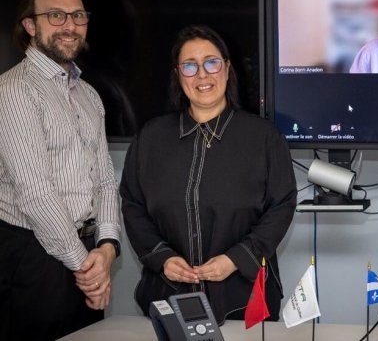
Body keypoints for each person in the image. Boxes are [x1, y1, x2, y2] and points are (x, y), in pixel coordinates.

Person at [120, 25, 297, 324]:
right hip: (168, 297)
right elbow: (133, 205)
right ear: (178, 75)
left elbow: (282, 206)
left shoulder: (264, 138)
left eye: (211, 62)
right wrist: (162, 258)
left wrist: (235, 259)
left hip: (244, 301)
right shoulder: (150, 139)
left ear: (227, 69)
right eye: (190, 66)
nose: (202, 75)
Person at [0, 0, 121, 339]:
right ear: (30, 26)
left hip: (85, 251)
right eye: (56, 15)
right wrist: (88, 269)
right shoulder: (14, 91)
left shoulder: (88, 95)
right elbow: (36, 194)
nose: (69, 26)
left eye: (77, 16)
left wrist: (107, 248)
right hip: (32, 259)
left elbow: (104, 180)